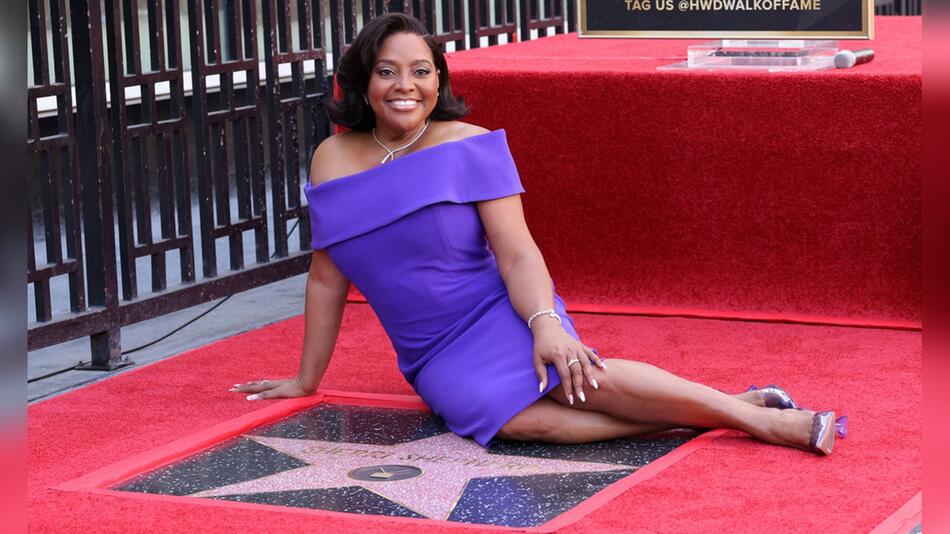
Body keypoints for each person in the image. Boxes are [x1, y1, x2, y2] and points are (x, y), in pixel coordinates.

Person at [231, 13, 843, 455]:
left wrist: (544, 322)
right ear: (363, 82)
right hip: (431, 352)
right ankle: (730, 407)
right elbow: (326, 276)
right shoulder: (331, 160)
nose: (404, 86)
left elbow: (518, 251)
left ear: (438, 82)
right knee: (525, 425)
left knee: (574, 382)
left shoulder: (471, 147)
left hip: (502, 314)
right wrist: (306, 379)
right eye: (387, 71)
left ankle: (763, 422)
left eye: (421, 71)